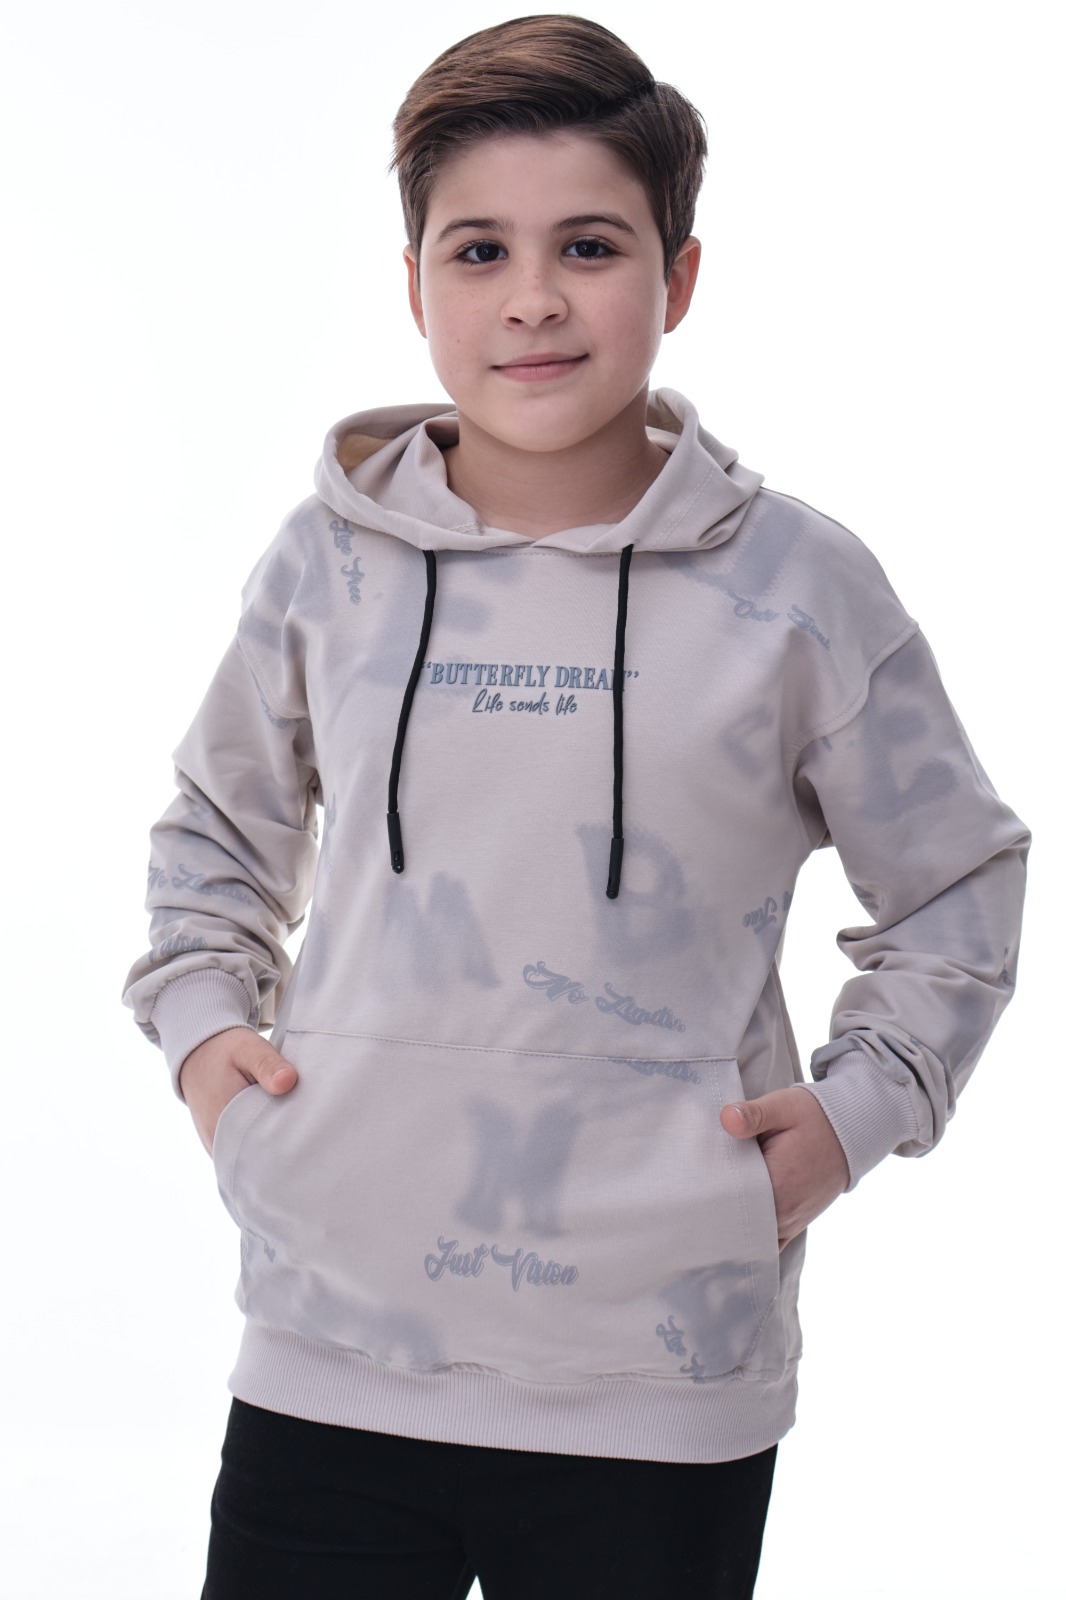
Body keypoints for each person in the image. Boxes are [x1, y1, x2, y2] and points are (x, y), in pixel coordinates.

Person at [123, 15, 1028, 1598]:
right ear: (415, 285)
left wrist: (854, 1116)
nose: (531, 297)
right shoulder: (326, 565)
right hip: (330, 1345)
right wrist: (210, 1049)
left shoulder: (797, 586)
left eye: (588, 247)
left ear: (677, 278)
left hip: (659, 1385)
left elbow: (956, 881)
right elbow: (215, 834)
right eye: (478, 249)